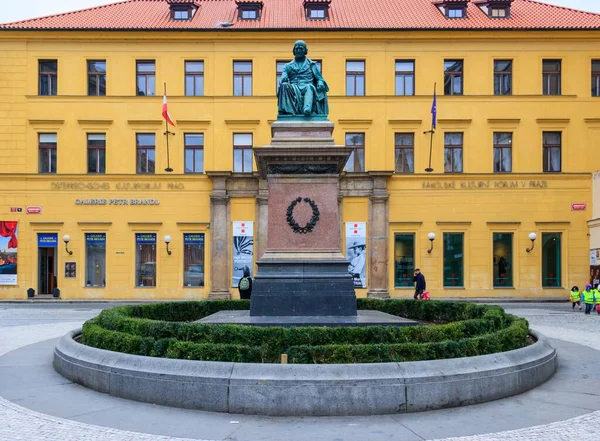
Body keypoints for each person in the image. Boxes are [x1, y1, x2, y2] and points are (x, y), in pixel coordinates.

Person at [277, 40, 329, 117]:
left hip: (307, 85)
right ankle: (287, 111)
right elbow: (283, 76)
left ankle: (307, 108)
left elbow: (319, 78)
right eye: (296, 49)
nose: (298, 50)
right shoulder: (288, 65)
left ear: (305, 51)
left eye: (301, 48)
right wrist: (283, 78)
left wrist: (320, 82)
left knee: (310, 87)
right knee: (284, 85)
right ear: (294, 51)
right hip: (294, 87)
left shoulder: (311, 64)